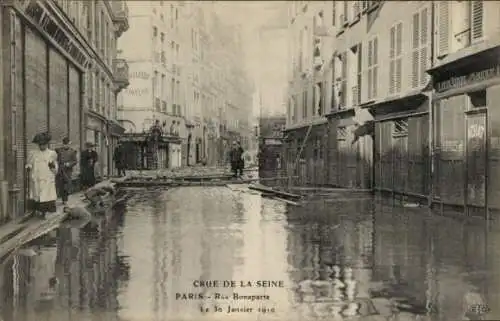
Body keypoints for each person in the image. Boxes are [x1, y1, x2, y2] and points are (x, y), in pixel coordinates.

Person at [26, 132, 58, 219]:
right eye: (40, 145)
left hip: (47, 178)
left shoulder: (52, 153)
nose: (42, 147)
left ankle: (44, 213)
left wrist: (53, 167)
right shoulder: (33, 153)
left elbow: (55, 167)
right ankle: (36, 211)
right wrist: (28, 167)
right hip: (36, 177)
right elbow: (29, 163)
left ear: (47, 144)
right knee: (37, 195)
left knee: (46, 196)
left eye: (43, 145)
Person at [55, 137, 77, 205]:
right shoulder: (59, 150)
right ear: (63, 144)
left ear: (69, 144)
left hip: (68, 171)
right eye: (65, 144)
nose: (66, 145)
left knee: (67, 185)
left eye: (67, 144)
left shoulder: (72, 151)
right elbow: (55, 156)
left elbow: (75, 161)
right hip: (60, 170)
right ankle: (62, 199)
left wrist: (69, 164)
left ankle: (65, 199)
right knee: (60, 185)